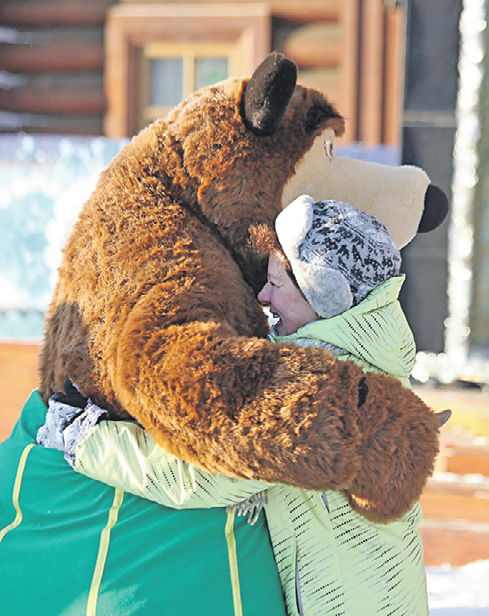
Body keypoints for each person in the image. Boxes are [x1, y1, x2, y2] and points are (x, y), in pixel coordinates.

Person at [39, 195, 431, 615]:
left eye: (276, 284)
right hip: (395, 589)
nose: (262, 295)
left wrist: (86, 439)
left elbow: (201, 475)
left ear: (324, 297)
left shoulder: (314, 389)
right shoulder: (378, 346)